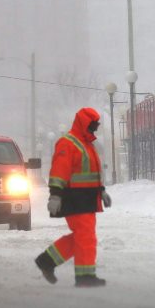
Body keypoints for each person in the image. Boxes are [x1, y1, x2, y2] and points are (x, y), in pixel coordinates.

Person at [35, 107, 112, 287]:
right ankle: (85, 277)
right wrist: (55, 195)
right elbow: (59, 171)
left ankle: (47, 261)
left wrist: (102, 191)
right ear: (84, 124)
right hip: (74, 198)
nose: (94, 130)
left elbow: (93, 172)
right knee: (85, 236)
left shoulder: (87, 145)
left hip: (87, 199)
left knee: (83, 236)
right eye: (92, 126)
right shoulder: (68, 143)